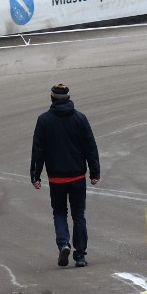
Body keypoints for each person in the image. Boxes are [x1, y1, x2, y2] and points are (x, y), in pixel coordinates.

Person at [31, 84, 100, 268]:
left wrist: (35, 175)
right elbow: (90, 147)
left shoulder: (44, 120)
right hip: (78, 176)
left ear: (52, 98)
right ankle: (80, 256)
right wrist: (94, 172)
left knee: (60, 212)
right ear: (68, 98)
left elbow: (38, 150)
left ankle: (63, 244)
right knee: (79, 214)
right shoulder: (80, 118)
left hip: (56, 178)